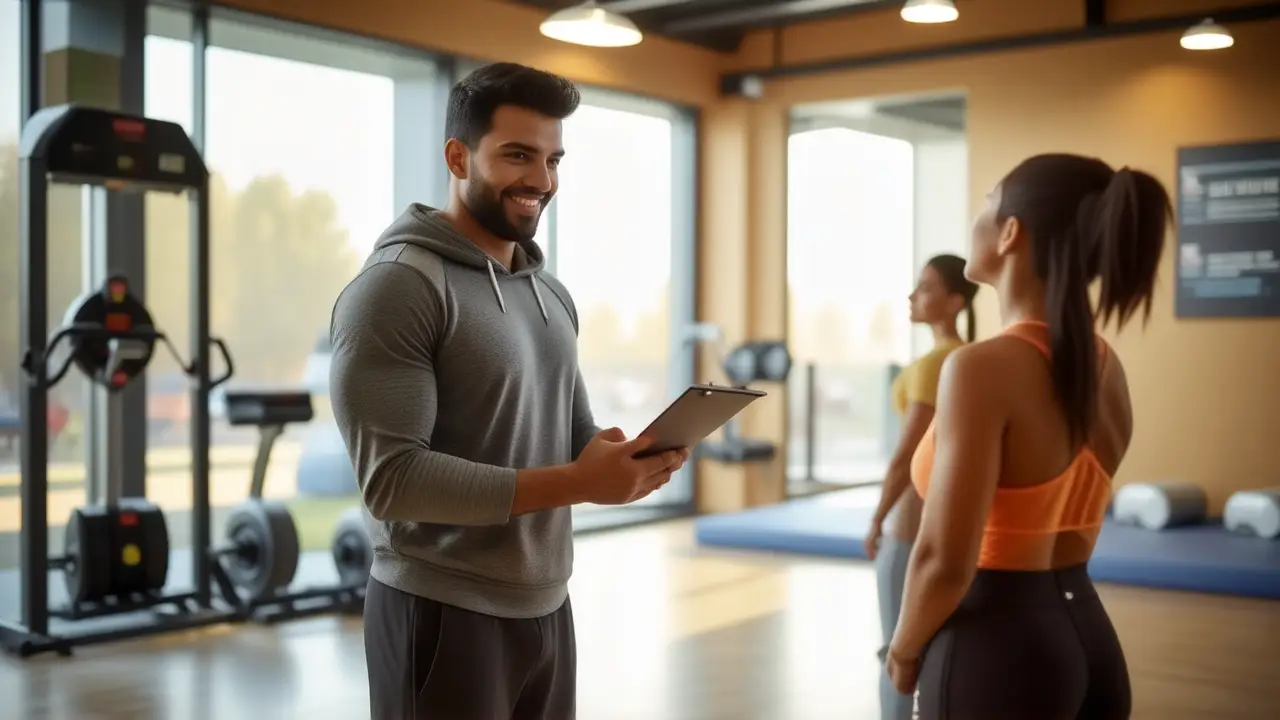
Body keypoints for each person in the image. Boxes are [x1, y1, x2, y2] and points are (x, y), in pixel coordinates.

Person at [328, 62, 690, 720]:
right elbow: (393, 481)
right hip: (441, 609)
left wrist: (626, 458)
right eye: (519, 155)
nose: (543, 181)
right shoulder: (397, 288)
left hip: (548, 606)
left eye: (553, 159)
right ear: (457, 155)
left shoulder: (548, 292)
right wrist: (581, 483)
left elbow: (570, 433)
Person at [885, 153, 1171, 719]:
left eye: (988, 201)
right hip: (1088, 635)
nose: (978, 215)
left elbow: (945, 557)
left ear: (1011, 232)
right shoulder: (1103, 365)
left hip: (997, 645)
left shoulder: (980, 368)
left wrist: (901, 648)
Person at [865, 253, 977, 720]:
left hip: (911, 527)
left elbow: (905, 456)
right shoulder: (972, 357)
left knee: (897, 650)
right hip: (954, 524)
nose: (913, 295)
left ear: (954, 301)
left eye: (926, 287)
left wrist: (877, 518)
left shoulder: (935, 364)